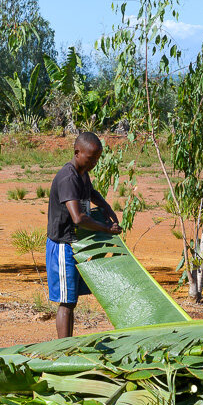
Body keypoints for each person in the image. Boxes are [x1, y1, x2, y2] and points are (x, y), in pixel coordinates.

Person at [46, 132, 122, 339]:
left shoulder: (81, 173)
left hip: (74, 242)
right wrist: (107, 229)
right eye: (91, 159)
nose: (94, 163)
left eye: (97, 159)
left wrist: (106, 207)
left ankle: (68, 346)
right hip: (62, 245)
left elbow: (90, 192)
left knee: (72, 300)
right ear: (77, 152)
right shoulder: (68, 178)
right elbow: (78, 218)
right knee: (66, 302)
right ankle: (64, 349)